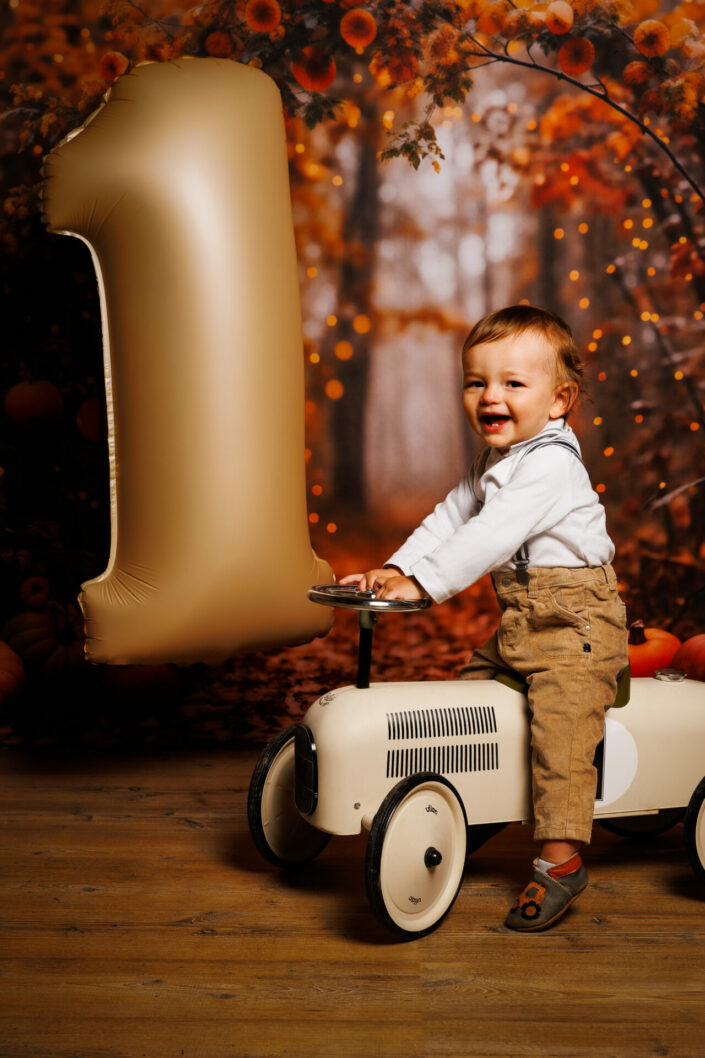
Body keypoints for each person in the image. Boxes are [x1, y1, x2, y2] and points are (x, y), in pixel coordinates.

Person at [342, 304, 628, 932]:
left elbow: (489, 536)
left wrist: (425, 585)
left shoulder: (551, 465)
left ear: (559, 401)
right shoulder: (494, 462)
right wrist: (395, 570)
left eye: (512, 383)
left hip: (578, 628)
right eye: (476, 382)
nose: (490, 396)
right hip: (525, 627)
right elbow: (450, 519)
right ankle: (468, 806)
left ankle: (561, 861)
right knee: (468, 706)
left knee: (562, 733)